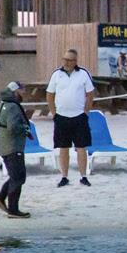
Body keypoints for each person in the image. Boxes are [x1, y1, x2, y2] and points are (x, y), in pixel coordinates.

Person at [46, 48, 95, 188]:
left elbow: (90, 93)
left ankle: (83, 176)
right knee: (63, 147)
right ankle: (64, 176)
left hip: (79, 116)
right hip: (61, 116)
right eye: (64, 59)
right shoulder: (56, 74)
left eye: (69, 60)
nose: (66, 62)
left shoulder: (83, 74)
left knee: (81, 147)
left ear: (75, 61)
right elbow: (50, 94)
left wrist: (86, 110)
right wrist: (53, 112)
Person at [0, 82, 32, 218]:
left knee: (15, 176)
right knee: (18, 177)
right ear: (16, 92)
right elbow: (13, 127)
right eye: (22, 91)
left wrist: (2, 139)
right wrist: (25, 129)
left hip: (4, 146)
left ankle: (0, 197)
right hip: (13, 147)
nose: (24, 94)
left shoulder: (3, 104)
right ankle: (13, 210)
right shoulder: (13, 107)